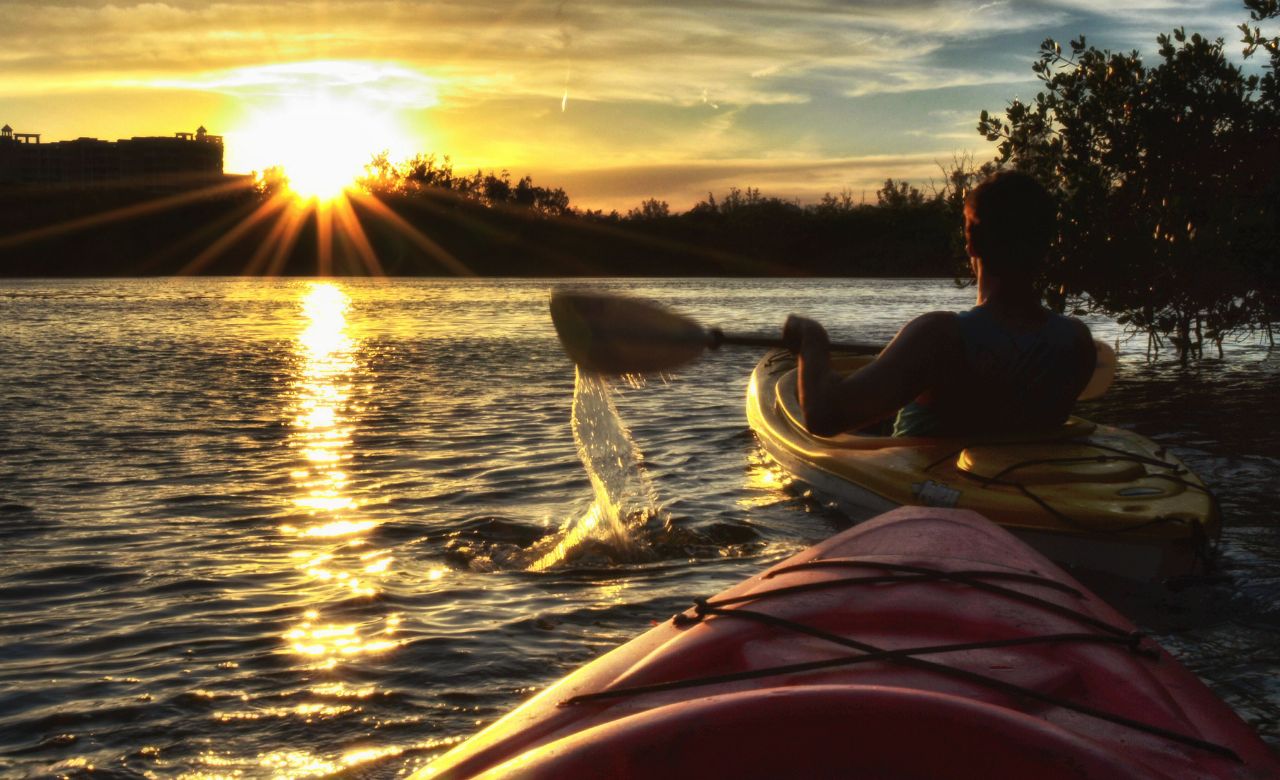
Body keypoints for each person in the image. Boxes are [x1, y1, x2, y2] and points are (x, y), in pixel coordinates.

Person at [783, 170, 1096, 438]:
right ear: (1044, 243)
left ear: (971, 241)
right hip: (1023, 486)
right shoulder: (1077, 341)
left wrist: (812, 340)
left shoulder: (940, 337)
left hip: (931, 494)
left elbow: (823, 416)